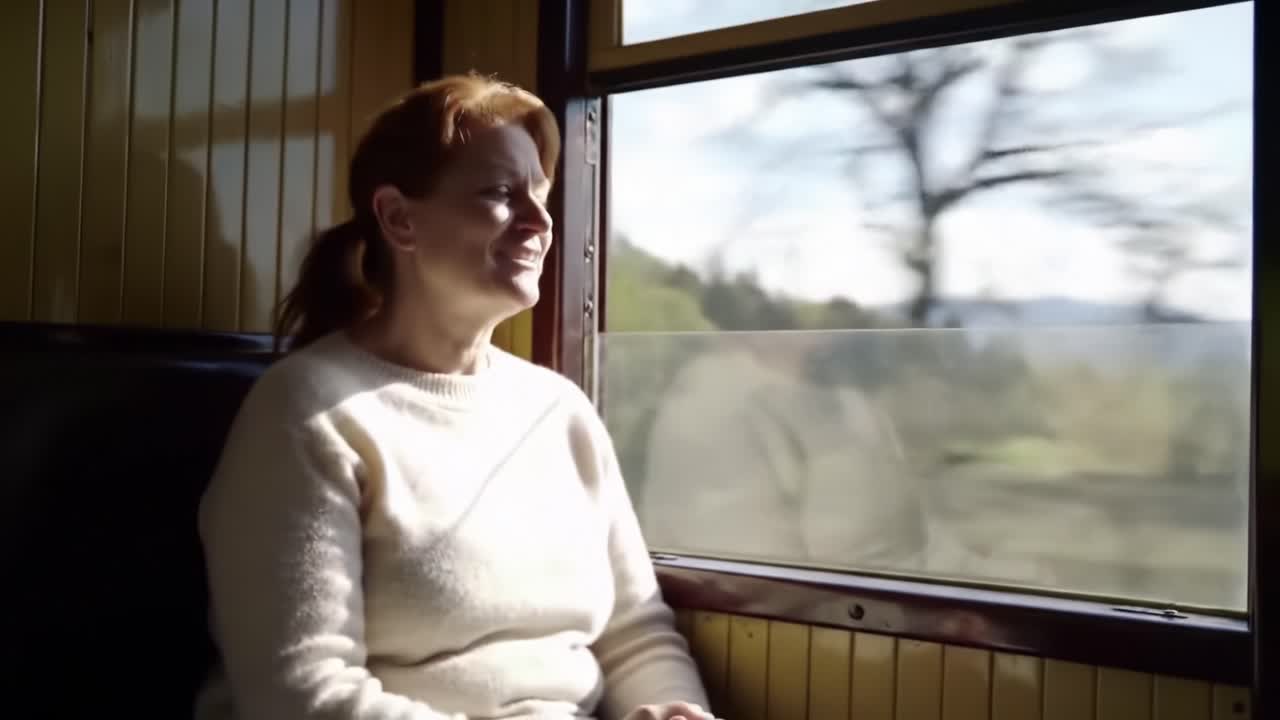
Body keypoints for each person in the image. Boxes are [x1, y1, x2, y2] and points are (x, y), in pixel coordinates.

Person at [195, 74, 716, 720]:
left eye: (542, 195)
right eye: (501, 193)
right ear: (398, 218)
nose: (541, 221)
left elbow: (636, 633)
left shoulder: (561, 411)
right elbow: (300, 691)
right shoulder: (307, 410)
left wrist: (675, 711)